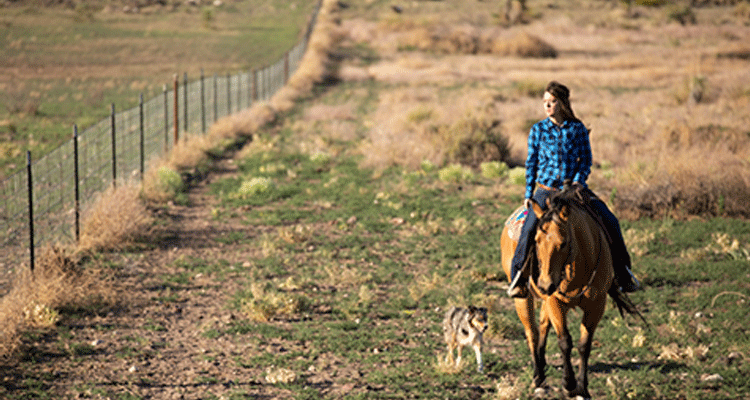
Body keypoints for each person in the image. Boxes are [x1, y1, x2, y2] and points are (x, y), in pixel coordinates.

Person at [507, 81, 640, 298]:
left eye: (552, 101)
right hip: (545, 190)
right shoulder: (538, 130)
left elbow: (585, 160)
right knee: (529, 229)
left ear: (563, 103)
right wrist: (528, 194)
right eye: (545, 102)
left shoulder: (577, 129)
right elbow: (531, 163)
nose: (547, 106)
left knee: (610, 221)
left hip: (574, 190)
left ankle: (623, 274)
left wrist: (577, 182)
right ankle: (518, 279)